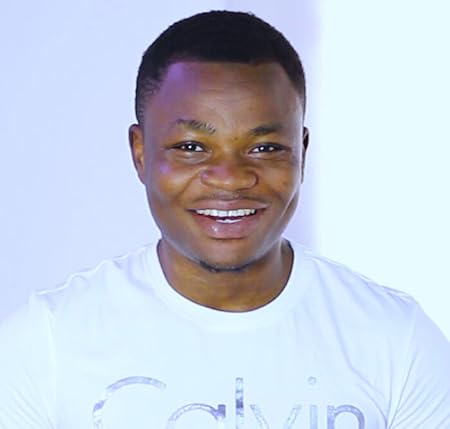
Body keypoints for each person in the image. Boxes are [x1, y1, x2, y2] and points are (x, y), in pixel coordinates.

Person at [0, 10, 449, 429]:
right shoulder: (47, 346)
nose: (231, 179)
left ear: (302, 152)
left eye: (265, 148)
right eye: (191, 148)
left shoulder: (397, 342)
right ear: (141, 153)